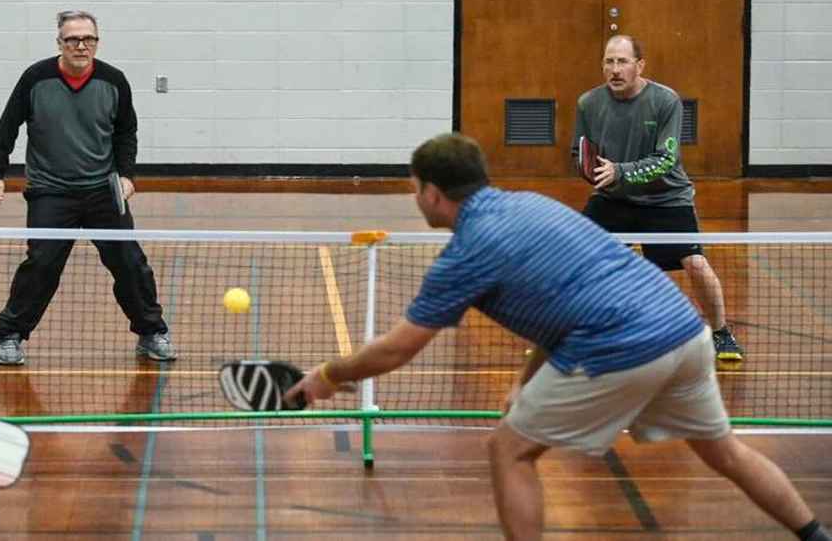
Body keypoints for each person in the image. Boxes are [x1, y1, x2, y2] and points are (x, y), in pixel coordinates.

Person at [285, 134, 829, 541]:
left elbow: (400, 347)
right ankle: (815, 535)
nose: (414, 197)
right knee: (726, 453)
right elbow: (564, 307)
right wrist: (524, 385)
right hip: (684, 332)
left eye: (414, 188)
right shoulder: (532, 204)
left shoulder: (467, 252)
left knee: (509, 450)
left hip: (622, 347)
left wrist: (327, 376)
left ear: (431, 193)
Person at [0, 10, 175, 366]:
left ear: (97, 43)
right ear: (60, 43)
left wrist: (127, 174)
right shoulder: (35, 79)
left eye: (89, 39)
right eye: (73, 39)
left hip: (103, 190)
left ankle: (151, 332)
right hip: (50, 191)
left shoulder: (114, 81)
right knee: (41, 265)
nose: (81, 45)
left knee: (130, 263)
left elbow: (125, 133)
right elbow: (7, 127)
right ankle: (10, 335)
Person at [572, 34, 743, 364]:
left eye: (622, 61)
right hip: (613, 198)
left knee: (694, 263)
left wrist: (619, 171)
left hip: (666, 198)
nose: (615, 69)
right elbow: (579, 153)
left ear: (640, 65)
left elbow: (665, 159)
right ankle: (570, 334)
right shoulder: (588, 104)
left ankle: (721, 331)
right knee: (577, 260)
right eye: (609, 61)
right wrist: (592, 172)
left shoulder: (666, 101)